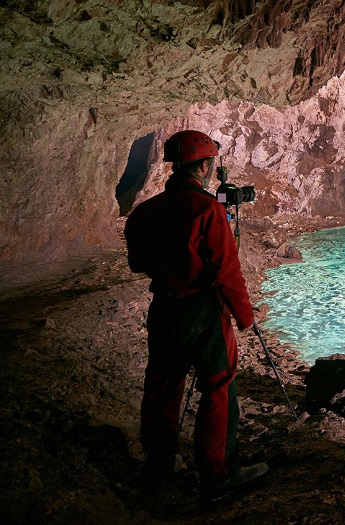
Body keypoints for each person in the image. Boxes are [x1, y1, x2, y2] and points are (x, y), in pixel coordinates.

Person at [124, 129, 267, 501]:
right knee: (218, 386)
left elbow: (137, 263)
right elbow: (226, 270)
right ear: (204, 165)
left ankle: (157, 469)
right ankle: (217, 476)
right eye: (210, 165)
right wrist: (245, 315)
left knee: (162, 387)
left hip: (163, 308)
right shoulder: (207, 209)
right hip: (201, 310)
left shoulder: (144, 212)